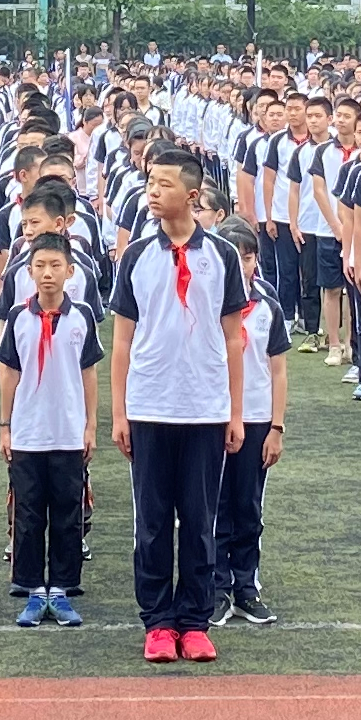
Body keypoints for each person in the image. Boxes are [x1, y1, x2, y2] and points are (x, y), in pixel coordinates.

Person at [104, 146, 248, 666]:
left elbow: (234, 339)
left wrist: (234, 412)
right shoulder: (136, 256)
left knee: (200, 517)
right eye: (149, 181)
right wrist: (120, 412)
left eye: (162, 183)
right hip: (150, 407)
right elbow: (122, 340)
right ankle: (158, 621)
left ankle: (195, 620)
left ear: (191, 195)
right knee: (153, 520)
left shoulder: (223, 256)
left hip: (205, 409)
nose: (151, 190)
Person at [0, 227, 98, 627]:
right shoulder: (19, 317)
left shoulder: (83, 316)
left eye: (55, 265)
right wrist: (6, 426)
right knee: (28, 513)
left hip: (69, 431)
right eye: (40, 266)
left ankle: (62, 588)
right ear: (30, 271)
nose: (47, 274)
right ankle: (32, 590)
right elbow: (9, 374)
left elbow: (89, 373)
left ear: (70, 271)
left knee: (68, 513)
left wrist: (90, 425)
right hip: (28, 432)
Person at [213, 222, 294, 629]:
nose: (241, 264)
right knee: (214, 506)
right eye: (233, 255)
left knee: (247, 505)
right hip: (212, 417)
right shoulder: (206, 300)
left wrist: (276, 427)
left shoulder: (267, 307)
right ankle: (216, 586)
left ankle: (246, 586)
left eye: (247, 257)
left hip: (257, 418)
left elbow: (278, 370)